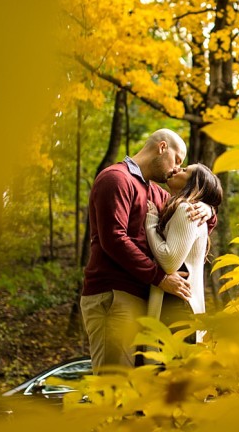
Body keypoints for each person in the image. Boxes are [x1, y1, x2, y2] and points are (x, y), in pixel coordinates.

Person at [80, 129, 214, 373]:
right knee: (115, 386)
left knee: (141, 394)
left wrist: (207, 209)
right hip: (114, 295)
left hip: (143, 299)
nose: (176, 169)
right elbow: (114, 238)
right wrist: (159, 277)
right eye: (177, 160)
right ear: (162, 147)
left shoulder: (155, 192)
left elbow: (188, 220)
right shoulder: (116, 178)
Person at [144, 163, 223, 344]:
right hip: (178, 306)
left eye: (185, 170)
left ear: (194, 185)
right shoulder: (186, 209)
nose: (177, 169)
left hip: (177, 307)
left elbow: (169, 261)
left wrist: (150, 223)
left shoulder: (187, 210)